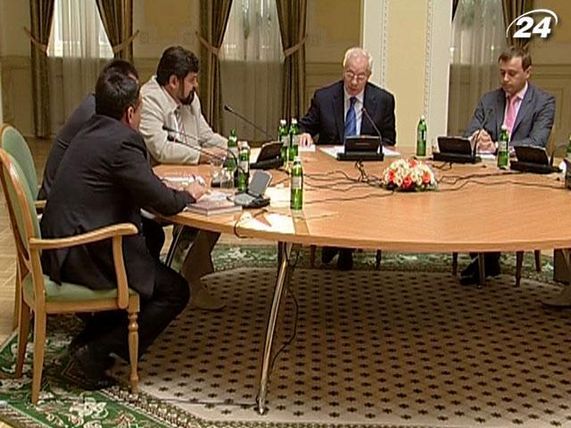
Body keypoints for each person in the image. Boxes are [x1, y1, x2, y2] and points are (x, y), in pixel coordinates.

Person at [40, 70, 205, 389]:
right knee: (175, 291)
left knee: (152, 235)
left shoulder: (91, 128)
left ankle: (96, 333)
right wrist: (190, 194)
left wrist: (158, 187)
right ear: (130, 113)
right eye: (140, 109)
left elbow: (134, 184)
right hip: (81, 252)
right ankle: (96, 351)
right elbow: (163, 202)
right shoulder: (124, 142)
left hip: (62, 242)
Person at [37, 59, 165, 260]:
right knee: (148, 234)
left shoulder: (96, 116)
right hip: (74, 237)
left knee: (151, 232)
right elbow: (150, 192)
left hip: (68, 218)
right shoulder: (103, 123)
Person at [139, 46, 227, 310]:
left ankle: (188, 277)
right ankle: (187, 283)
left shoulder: (190, 100)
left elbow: (205, 136)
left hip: (190, 179)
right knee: (205, 213)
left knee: (219, 210)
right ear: (173, 81)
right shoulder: (148, 100)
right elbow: (161, 149)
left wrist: (234, 148)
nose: (196, 85)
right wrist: (202, 156)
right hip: (155, 190)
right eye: (192, 80)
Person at [460, 46, 556, 285]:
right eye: (502, 73)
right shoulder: (489, 99)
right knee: (464, 193)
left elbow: (536, 142)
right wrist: (478, 137)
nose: (505, 79)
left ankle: (487, 258)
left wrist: (497, 146)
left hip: (523, 177)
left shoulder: (544, 102)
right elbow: (470, 132)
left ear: (528, 72)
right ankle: (484, 255)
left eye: (511, 73)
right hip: (486, 174)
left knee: (496, 199)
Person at [298, 47, 397, 270]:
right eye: (350, 74)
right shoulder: (324, 97)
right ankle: (339, 244)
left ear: (368, 76)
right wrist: (304, 134)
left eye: (360, 76)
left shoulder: (384, 100)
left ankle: (341, 246)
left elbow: (389, 140)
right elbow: (305, 126)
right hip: (329, 170)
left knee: (360, 194)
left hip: (367, 169)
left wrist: (375, 149)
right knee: (340, 191)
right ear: (343, 71)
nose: (354, 81)